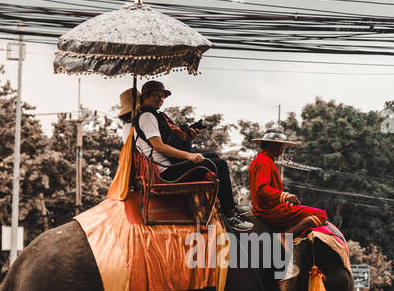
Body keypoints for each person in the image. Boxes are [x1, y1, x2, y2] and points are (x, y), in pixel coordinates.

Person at [120, 81, 253, 232]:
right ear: (145, 97)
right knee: (219, 164)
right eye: (156, 95)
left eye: (162, 96)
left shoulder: (142, 119)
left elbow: (167, 143)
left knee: (212, 156)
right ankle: (230, 213)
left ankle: (228, 203)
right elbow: (159, 146)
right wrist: (189, 156)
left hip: (165, 166)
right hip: (166, 172)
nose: (160, 99)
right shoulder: (147, 117)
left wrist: (187, 139)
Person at [248, 129, 329, 238]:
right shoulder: (264, 161)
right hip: (270, 211)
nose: (283, 148)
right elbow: (262, 189)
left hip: (266, 209)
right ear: (272, 145)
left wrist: (283, 198)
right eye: (281, 145)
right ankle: (285, 236)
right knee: (320, 214)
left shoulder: (262, 160)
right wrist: (285, 196)